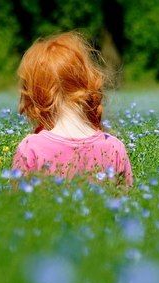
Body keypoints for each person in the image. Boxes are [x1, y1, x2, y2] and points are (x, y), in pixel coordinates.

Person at [12, 31, 133, 186]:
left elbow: (16, 205)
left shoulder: (31, 148)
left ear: (35, 96)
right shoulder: (114, 148)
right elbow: (125, 205)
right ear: (88, 81)